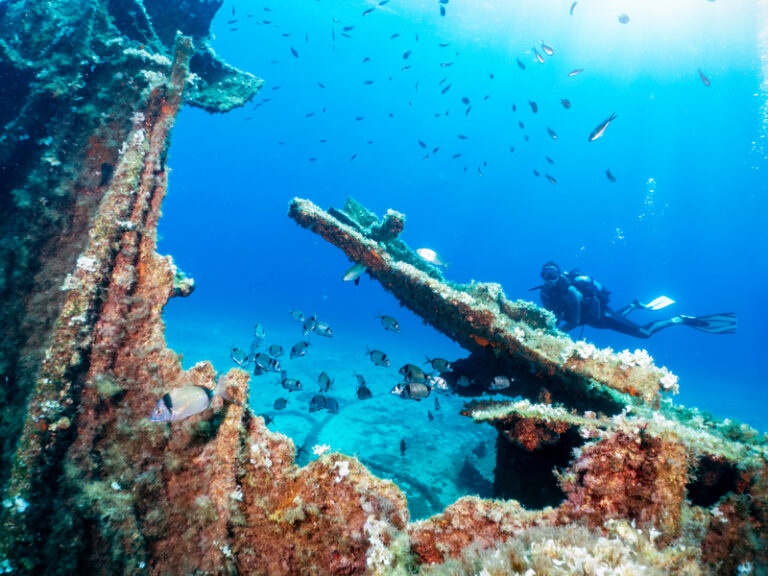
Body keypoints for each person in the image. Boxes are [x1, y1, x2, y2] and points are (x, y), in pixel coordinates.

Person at [535, 261, 737, 339]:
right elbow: (553, 315)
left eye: (552, 274)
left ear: (559, 274)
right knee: (612, 320)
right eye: (546, 275)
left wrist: (552, 333)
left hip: (600, 316)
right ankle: (633, 306)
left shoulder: (570, 291)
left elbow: (574, 321)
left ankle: (679, 319)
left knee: (644, 334)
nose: (550, 279)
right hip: (596, 320)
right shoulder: (546, 293)